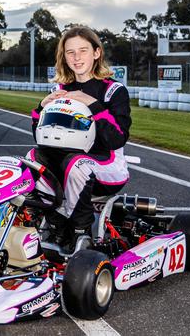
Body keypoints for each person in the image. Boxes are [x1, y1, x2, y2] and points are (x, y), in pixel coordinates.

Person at [29, 26, 131, 250]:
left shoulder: (114, 91)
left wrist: (92, 104)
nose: (76, 58)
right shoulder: (61, 89)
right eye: (70, 52)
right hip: (66, 162)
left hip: (108, 166)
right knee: (33, 158)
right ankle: (56, 226)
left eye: (83, 51)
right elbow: (41, 137)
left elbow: (117, 139)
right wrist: (41, 107)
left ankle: (80, 234)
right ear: (64, 57)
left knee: (76, 164)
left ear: (96, 53)